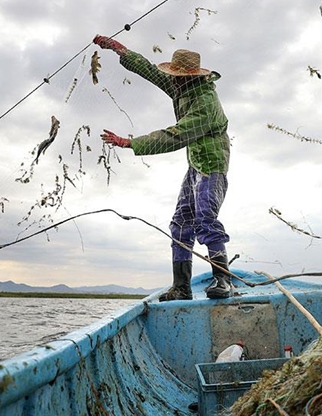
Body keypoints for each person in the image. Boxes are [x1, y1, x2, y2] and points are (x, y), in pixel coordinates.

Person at [93, 35, 232, 300]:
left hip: (212, 165)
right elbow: (148, 70)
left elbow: (175, 135)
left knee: (205, 218)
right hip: (195, 165)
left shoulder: (205, 104)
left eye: (179, 77)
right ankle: (181, 288)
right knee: (181, 223)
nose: (174, 80)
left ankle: (223, 280)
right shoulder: (183, 87)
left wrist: (129, 143)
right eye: (174, 76)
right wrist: (119, 50)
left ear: (192, 76)